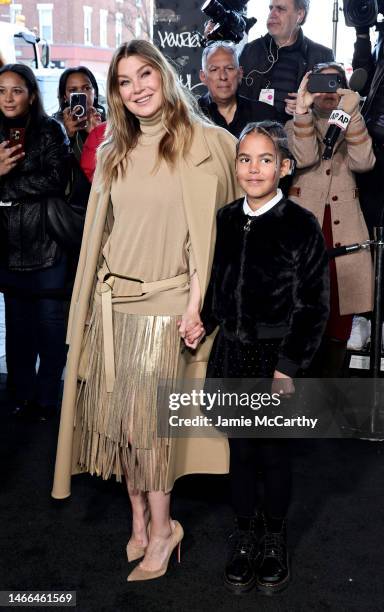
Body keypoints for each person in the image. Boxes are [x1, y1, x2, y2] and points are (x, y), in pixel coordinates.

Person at [51, 40, 240, 582]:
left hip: (166, 310)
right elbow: (100, 235)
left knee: (150, 430)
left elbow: (214, 236)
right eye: (125, 81)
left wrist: (197, 302)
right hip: (112, 308)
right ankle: (138, 521)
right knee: (119, 426)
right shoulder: (114, 148)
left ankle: (163, 531)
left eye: (145, 75)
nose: (137, 88)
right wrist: (87, 308)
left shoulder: (206, 143)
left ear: (165, 75)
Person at [187, 121, 329, 594]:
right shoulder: (227, 218)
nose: (254, 168)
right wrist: (202, 320)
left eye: (265, 159)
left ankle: (274, 537)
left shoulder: (301, 225)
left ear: (284, 167)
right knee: (241, 450)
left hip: (274, 360)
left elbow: (314, 306)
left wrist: (287, 366)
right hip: (233, 356)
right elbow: (218, 286)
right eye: (245, 159)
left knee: (273, 451)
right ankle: (245, 534)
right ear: (236, 166)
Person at [285, 63, 375, 375]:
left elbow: (364, 161)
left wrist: (352, 114)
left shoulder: (352, 123)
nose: (327, 90)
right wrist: (302, 111)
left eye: (335, 82)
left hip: (344, 240)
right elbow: (305, 157)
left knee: (339, 325)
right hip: (306, 238)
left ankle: (329, 396)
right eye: (320, 83)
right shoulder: (294, 123)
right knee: (301, 320)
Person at [0, 64, 70, 419]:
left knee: (50, 331)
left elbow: (56, 179)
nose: (8, 98)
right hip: (9, 248)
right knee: (18, 334)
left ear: (31, 94)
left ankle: (46, 399)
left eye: (16, 90)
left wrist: (7, 185)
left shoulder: (50, 130)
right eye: (2, 91)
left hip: (47, 247)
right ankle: (20, 395)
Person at [348, 31, 384, 355]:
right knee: (365, 234)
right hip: (372, 151)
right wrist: (361, 32)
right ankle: (364, 315)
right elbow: (362, 78)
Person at [238, 0, 334, 122]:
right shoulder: (250, 50)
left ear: (300, 15)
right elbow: (235, 101)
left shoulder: (322, 56)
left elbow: (331, 108)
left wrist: (307, 109)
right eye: (270, 8)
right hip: (254, 134)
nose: (272, 14)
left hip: (298, 136)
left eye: (280, 9)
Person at [198, 41, 278, 138]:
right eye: (214, 69)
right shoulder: (189, 116)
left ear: (240, 74)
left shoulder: (265, 116)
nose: (223, 76)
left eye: (229, 68)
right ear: (203, 77)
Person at [53, 66, 106, 207]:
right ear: (65, 96)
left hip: (102, 199)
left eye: (86, 88)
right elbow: (54, 172)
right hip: (71, 204)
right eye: (73, 90)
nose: (81, 94)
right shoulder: (54, 126)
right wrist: (67, 136)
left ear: (94, 92)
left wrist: (98, 134)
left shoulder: (109, 121)